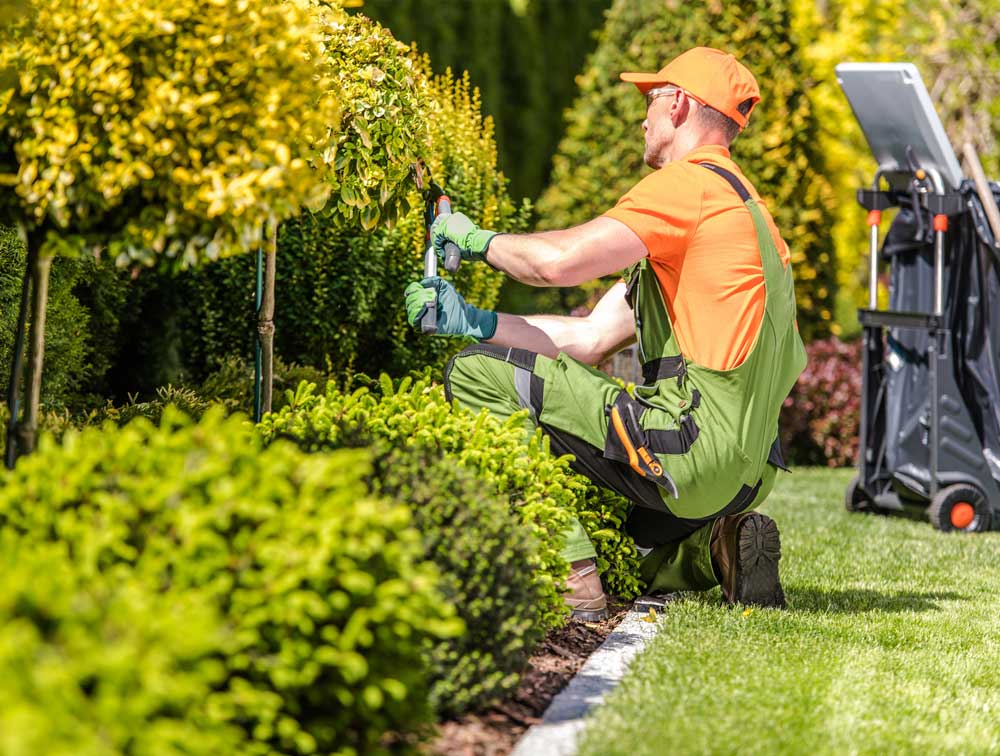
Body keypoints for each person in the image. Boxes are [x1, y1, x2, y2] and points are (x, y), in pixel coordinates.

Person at [404, 47, 806, 620]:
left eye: (650, 100)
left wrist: (474, 239)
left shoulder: (687, 187)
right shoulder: (747, 215)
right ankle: (714, 551)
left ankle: (569, 578)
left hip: (690, 449)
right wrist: (473, 321)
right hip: (746, 473)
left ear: (680, 105)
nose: (642, 116)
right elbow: (590, 337)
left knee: (473, 373)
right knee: (621, 533)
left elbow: (556, 264)